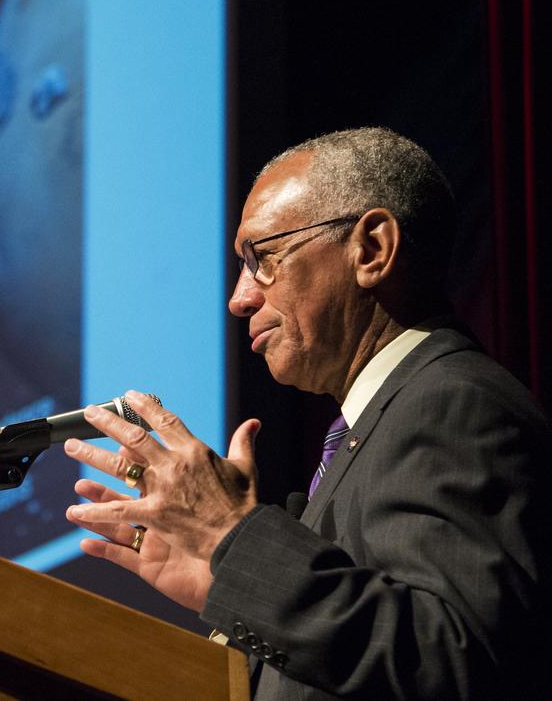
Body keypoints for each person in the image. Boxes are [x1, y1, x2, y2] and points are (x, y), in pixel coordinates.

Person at [64, 127, 551, 700]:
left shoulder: (451, 404)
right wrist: (230, 582)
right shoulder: (374, 429)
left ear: (371, 249)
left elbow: (452, 661)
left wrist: (234, 538)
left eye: (261, 257)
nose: (240, 297)